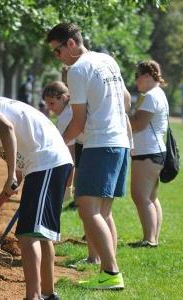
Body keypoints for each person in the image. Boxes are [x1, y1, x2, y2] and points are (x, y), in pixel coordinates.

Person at [0, 77, 72, 300]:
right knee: (41, 234)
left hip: (46, 163)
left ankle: (33, 296)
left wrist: (9, 175)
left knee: (28, 235)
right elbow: (18, 173)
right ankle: (48, 294)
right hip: (51, 163)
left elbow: (6, 129)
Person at [46, 22, 130, 290]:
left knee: (87, 208)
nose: (57, 57)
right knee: (103, 212)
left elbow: (79, 122)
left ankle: (111, 271)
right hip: (120, 142)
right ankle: (108, 270)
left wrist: (57, 144)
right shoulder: (107, 60)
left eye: (57, 51)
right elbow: (126, 101)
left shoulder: (78, 69)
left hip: (100, 143)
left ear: (71, 43)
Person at [43, 81, 100, 267]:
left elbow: (69, 153)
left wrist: (68, 180)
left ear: (64, 97)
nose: (49, 108)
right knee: (94, 210)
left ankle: (95, 257)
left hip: (90, 154)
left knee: (89, 210)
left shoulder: (67, 116)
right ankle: (94, 257)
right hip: (93, 151)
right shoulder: (66, 113)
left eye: (52, 103)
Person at [128, 60, 168, 247]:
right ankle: (153, 238)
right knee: (150, 197)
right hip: (154, 151)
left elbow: (138, 123)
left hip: (148, 152)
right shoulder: (157, 94)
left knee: (140, 195)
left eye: (137, 76)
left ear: (147, 75)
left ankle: (149, 239)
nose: (136, 81)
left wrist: (120, 117)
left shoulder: (152, 96)